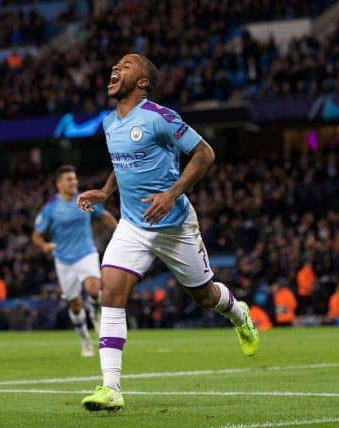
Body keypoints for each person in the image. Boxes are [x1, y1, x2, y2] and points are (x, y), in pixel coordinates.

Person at [77, 54, 259, 411]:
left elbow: (205, 154)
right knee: (110, 292)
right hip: (132, 224)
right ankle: (111, 389)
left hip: (174, 225)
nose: (115, 68)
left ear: (143, 82)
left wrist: (172, 193)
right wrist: (105, 192)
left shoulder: (159, 117)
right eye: (114, 65)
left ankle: (239, 314)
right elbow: (122, 164)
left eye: (126, 65)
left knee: (205, 298)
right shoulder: (110, 123)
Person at [33, 165, 117, 357]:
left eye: (75, 179)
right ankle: (85, 340)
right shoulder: (50, 209)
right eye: (69, 179)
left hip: (86, 252)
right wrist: (44, 246)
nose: (74, 182)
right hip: (63, 259)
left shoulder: (84, 200)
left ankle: (96, 310)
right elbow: (36, 235)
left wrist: (121, 231)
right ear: (59, 183)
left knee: (93, 289)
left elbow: (103, 216)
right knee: (75, 305)